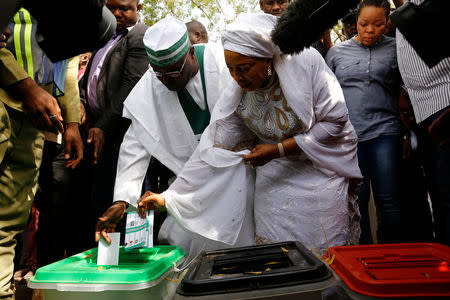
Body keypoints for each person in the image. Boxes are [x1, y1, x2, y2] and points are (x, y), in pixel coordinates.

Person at [137, 13, 362, 252]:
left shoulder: (305, 63)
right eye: (230, 68)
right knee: (277, 258)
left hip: (320, 171)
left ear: (267, 59)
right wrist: (170, 197)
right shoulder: (239, 93)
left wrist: (279, 150)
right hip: (273, 179)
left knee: (323, 257)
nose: (236, 77)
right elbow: (212, 149)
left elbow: (334, 122)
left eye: (244, 68)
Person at [94, 16, 251, 260]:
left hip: (239, 179)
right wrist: (122, 200)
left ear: (190, 52)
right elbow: (135, 144)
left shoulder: (223, 62)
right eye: (161, 75)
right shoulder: (153, 81)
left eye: (174, 72)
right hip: (189, 191)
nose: (167, 81)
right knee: (185, 259)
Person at [326, 0, 407, 244]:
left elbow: (407, 86)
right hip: (349, 137)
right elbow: (324, 92)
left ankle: (395, 257)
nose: (370, 30)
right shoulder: (337, 53)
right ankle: (362, 259)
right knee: (356, 202)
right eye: (364, 24)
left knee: (389, 199)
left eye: (378, 24)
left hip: (386, 132)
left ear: (387, 24)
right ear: (356, 23)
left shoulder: (397, 49)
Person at [79, 0, 148, 246]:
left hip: (122, 137)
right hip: (96, 131)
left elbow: (130, 87)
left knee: (122, 201)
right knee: (98, 202)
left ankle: (128, 266)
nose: (117, 13)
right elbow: (91, 77)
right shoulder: (105, 35)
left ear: (138, 8)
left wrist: (103, 126)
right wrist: (81, 104)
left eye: (124, 8)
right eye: (112, 7)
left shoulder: (140, 36)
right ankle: (100, 261)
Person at [0, 48, 64, 299]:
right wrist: (26, 87)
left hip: (35, 118)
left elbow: (63, 66)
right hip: (11, 100)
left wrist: (70, 125)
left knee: (8, 225)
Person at [396, 0, 450, 246]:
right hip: (422, 109)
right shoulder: (408, 5)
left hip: (445, 105)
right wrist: (407, 90)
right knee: (437, 194)